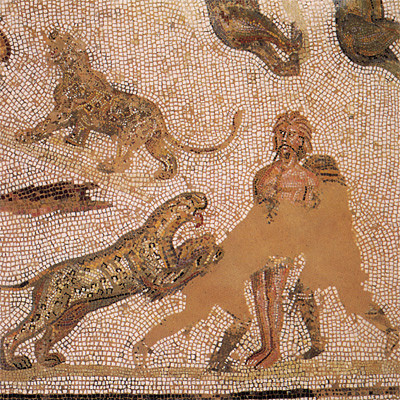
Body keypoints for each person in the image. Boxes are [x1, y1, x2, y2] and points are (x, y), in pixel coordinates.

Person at [144, 111, 399, 370]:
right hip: (255, 239)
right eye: (281, 133)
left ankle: (273, 348)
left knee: (273, 293)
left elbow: (309, 214)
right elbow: (257, 207)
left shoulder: (308, 180)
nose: (285, 139)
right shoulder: (263, 174)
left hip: (284, 241)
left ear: (302, 142)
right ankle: (265, 345)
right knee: (258, 292)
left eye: (292, 135)